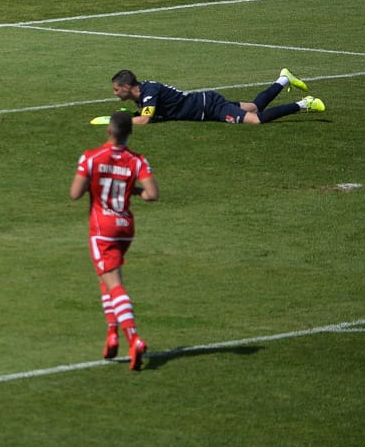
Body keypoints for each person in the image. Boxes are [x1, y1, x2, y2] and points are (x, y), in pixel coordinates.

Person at [71, 110, 157, 371]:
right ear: (130, 132)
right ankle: (112, 335)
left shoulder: (91, 157)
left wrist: (93, 183)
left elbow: (75, 193)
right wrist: (134, 189)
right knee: (105, 280)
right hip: (126, 227)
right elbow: (152, 195)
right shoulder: (137, 160)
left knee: (114, 283)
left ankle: (133, 338)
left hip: (102, 228)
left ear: (109, 130)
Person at [98, 68, 325, 126]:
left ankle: (304, 104)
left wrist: (118, 121)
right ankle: (283, 79)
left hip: (211, 108)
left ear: (127, 87)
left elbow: (146, 119)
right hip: (207, 102)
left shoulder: (149, 93)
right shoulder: (143, 93)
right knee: (255, 107)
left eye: (117, 89)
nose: (115, 93)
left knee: (256, 120)